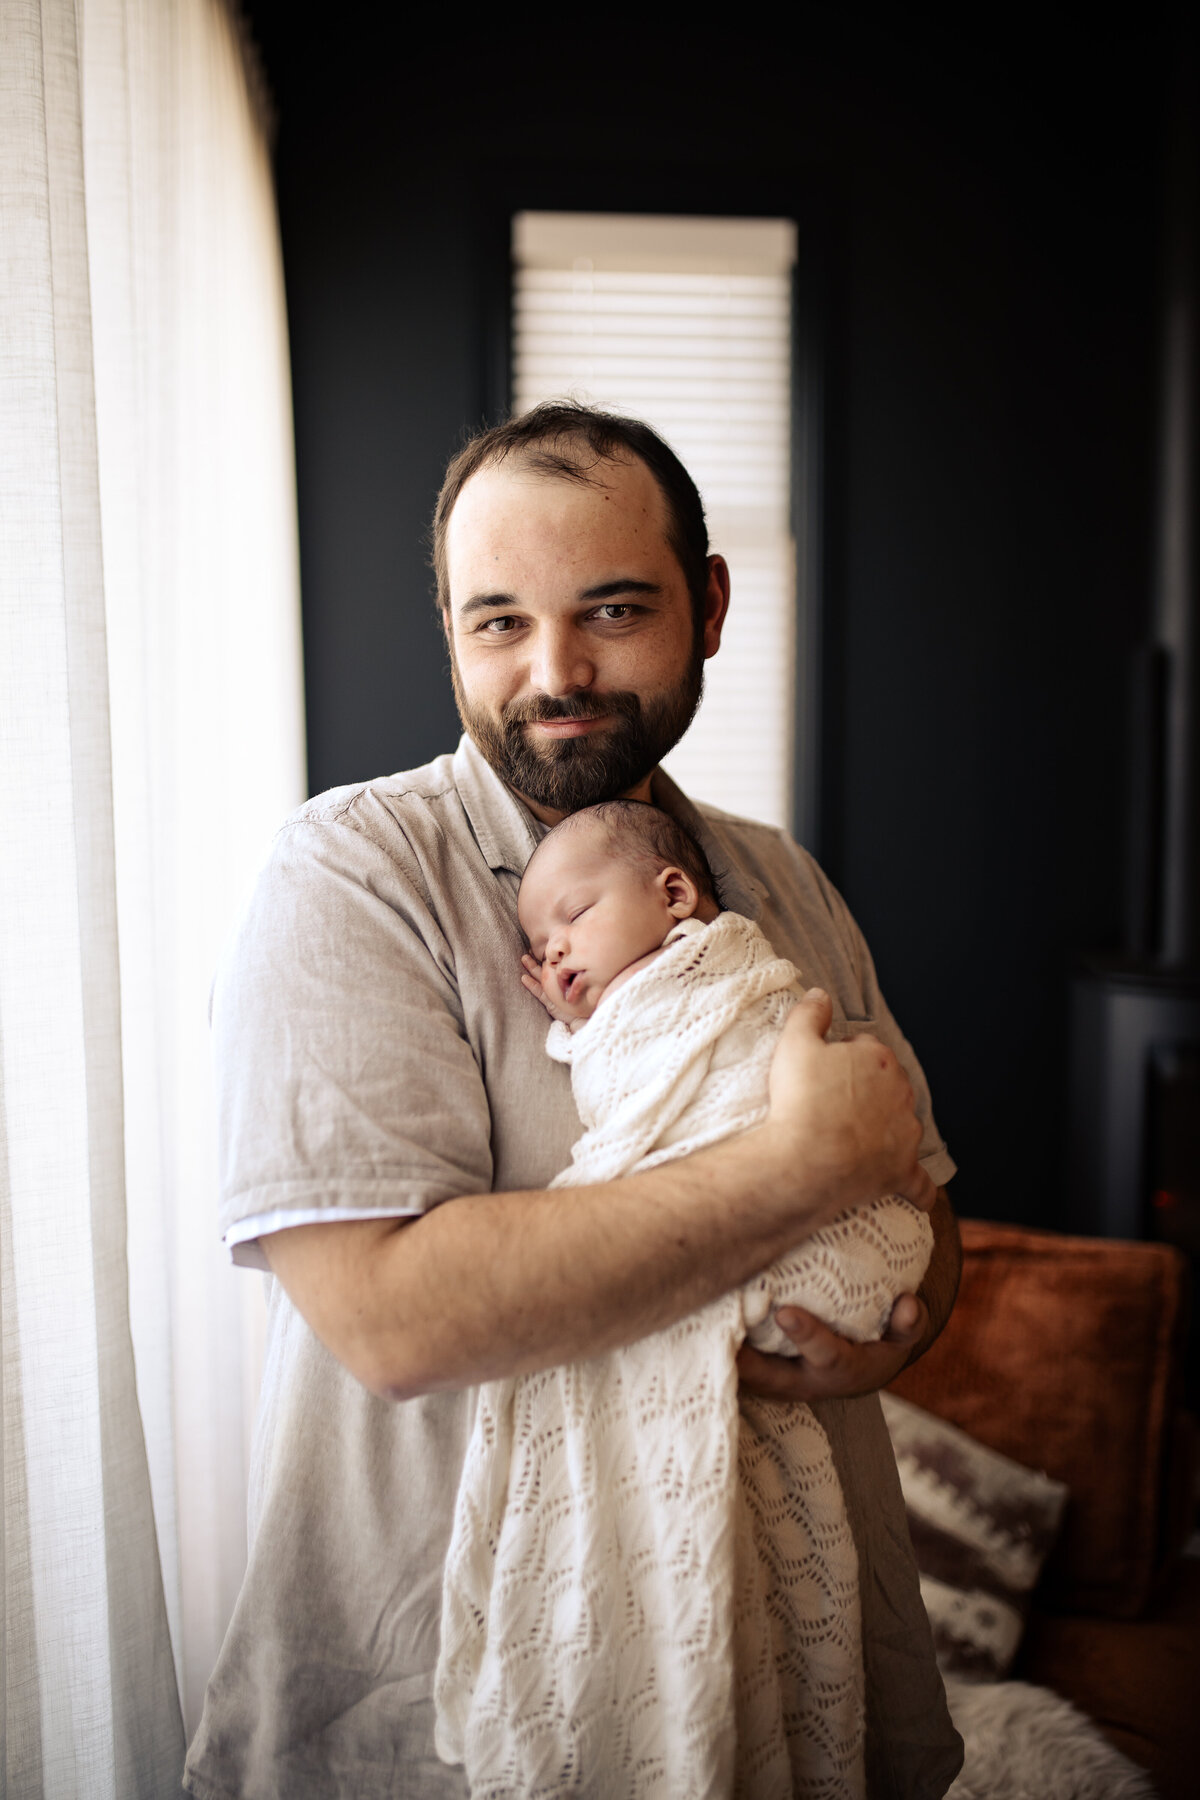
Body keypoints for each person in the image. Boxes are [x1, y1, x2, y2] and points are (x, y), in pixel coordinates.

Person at [183, 401, 963, 1800]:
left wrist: (888, 1338)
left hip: (786, 1674)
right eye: (497, 623)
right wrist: (794, 1171)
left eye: (612, 608)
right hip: (441, 1713)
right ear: (448, 631)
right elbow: (395, 1317)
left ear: (708, 605)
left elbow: (922, 1202)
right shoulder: (350, 879)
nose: (555, 671)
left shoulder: (783, 883)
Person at [435, 800, 935, 1798]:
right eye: (539, 943)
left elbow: (888, 1151)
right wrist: (592, 1025)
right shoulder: (359, 864)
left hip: (811, 1269)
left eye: (574, 916)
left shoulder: (737, 967)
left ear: (673, 897)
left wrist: (892, 1337)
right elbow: (634, 1089)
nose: (554, 950)